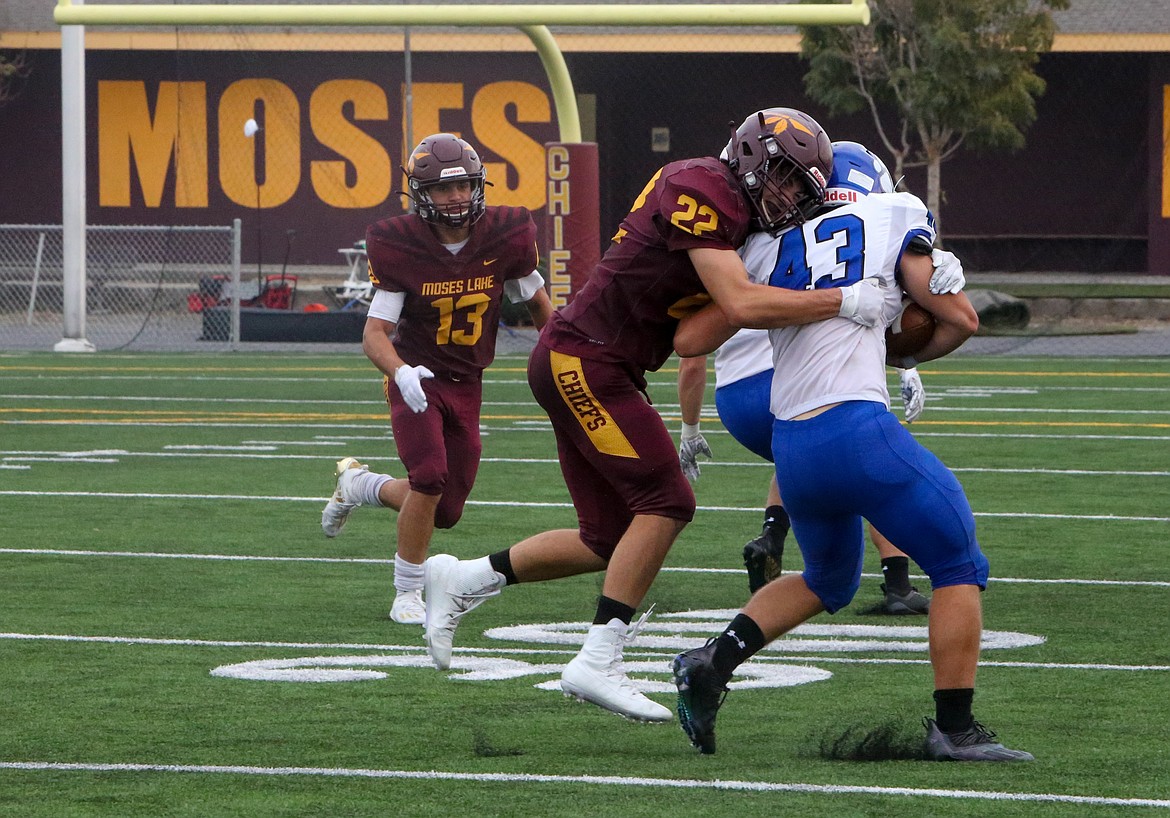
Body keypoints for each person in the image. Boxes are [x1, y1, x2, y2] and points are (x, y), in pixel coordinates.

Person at [421, 108, 890, 723]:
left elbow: (695, 336)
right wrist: (842, 299)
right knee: (668, 503)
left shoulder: (745, 221)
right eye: (780, 177)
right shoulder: (702, 185)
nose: (785, 196)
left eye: (798, 189)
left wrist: (765, 277)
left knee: (608, 539)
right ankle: (598, 658)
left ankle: (463, 579)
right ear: (749, 156)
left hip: (601, 363)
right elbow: (739, 301)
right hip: (586, 360)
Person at [671, 140, 1033, 761]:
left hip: (795, 447)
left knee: (827, 578)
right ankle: (956, 727)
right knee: (957, 563)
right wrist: (904, 347)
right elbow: (963, 319)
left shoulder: (762, 247)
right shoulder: (893, 214)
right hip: (856, 431)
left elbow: (692, 337)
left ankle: (712, 662)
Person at [675, 178, 967, 611]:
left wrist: (689, 426)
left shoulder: (750, 241)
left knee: (813, 467)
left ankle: (771, 541)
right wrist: (931, 262)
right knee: (864, 471)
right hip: (816, 393)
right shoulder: (883, 220)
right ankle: (899, 584)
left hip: (742, 401)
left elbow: (690, 346)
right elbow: (956, 317)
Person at [320, 133, 552, 625]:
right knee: (428, 479)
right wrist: (400, 373)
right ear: (420, 195)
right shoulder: (400, 243)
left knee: (445, 510)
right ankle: (407, 591)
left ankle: (360, 485)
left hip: (468, 380)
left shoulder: (507, 233)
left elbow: (538, 306)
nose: (456, 198)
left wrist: (566, 355)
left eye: (465, 186)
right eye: (444, 190)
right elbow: (375, 333)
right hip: (417, 378)